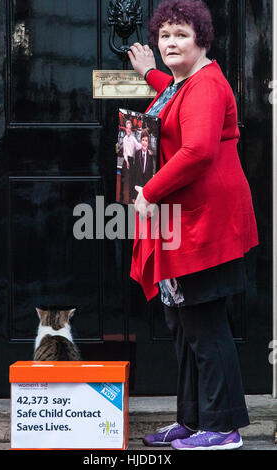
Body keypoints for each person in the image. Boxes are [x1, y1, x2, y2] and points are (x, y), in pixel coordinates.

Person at [127, 0, 259, 451]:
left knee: (203, 324)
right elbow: (173, 97)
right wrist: (148, 72)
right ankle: (192, 419)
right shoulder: (186, 83)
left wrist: (148, 191)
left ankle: (222, 428)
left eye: (181, 34)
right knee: (184, 326)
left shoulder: (204, 86)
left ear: (202, 38)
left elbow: (198, 149)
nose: (170, 43)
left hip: (206, 225)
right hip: (184, 225)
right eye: (164, 35)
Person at [122, 120, 142, 203]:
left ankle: (131, 199)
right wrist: (126, 161)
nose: (128, 130)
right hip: (126, 159)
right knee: (122, 180)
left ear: (131, 129)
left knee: (132, 180)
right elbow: (124, 152)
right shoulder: (124, 139)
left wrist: (146, 148)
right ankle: (120, 197)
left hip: (132, 160)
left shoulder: (133, 138)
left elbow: (139, 146)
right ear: (125, 129)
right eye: (127, 128)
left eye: (130, 128)